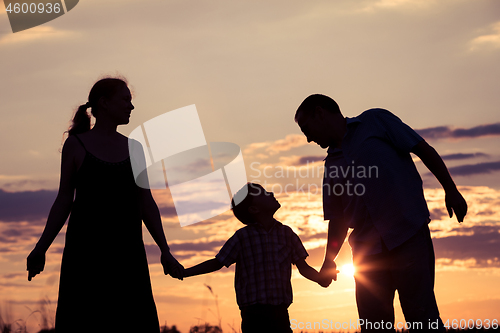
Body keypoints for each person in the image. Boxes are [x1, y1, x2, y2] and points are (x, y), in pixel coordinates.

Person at [294, 94, 468, 332]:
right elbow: (338, 218)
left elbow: (422, 149)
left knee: (423, 319)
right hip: (367, 254)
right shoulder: (331, 164)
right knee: (374, 326)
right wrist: (329, 260)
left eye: (307, 129)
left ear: (320, 113)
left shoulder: (376, 121)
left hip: (408, 237)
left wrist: (451, 189)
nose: (308, 138)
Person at [26, 77, 183, 333]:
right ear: (104, 103)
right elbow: (64, 199)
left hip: (127, 254)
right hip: (85, 255)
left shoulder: (135, 149)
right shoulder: (76, 145)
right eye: (125, 100)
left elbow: (146, 202)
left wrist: (165, 250)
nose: (131, 107)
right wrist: (40, 248)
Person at [181, 183, 330, 333]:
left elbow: (303, 267)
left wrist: (320, 278)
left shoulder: (287, 234)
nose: (271, 193)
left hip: (280, 312)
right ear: (254, 209)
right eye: (264, 193)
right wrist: (185, 272)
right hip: (253, 313)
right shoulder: (242, 237)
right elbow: (217, 262)